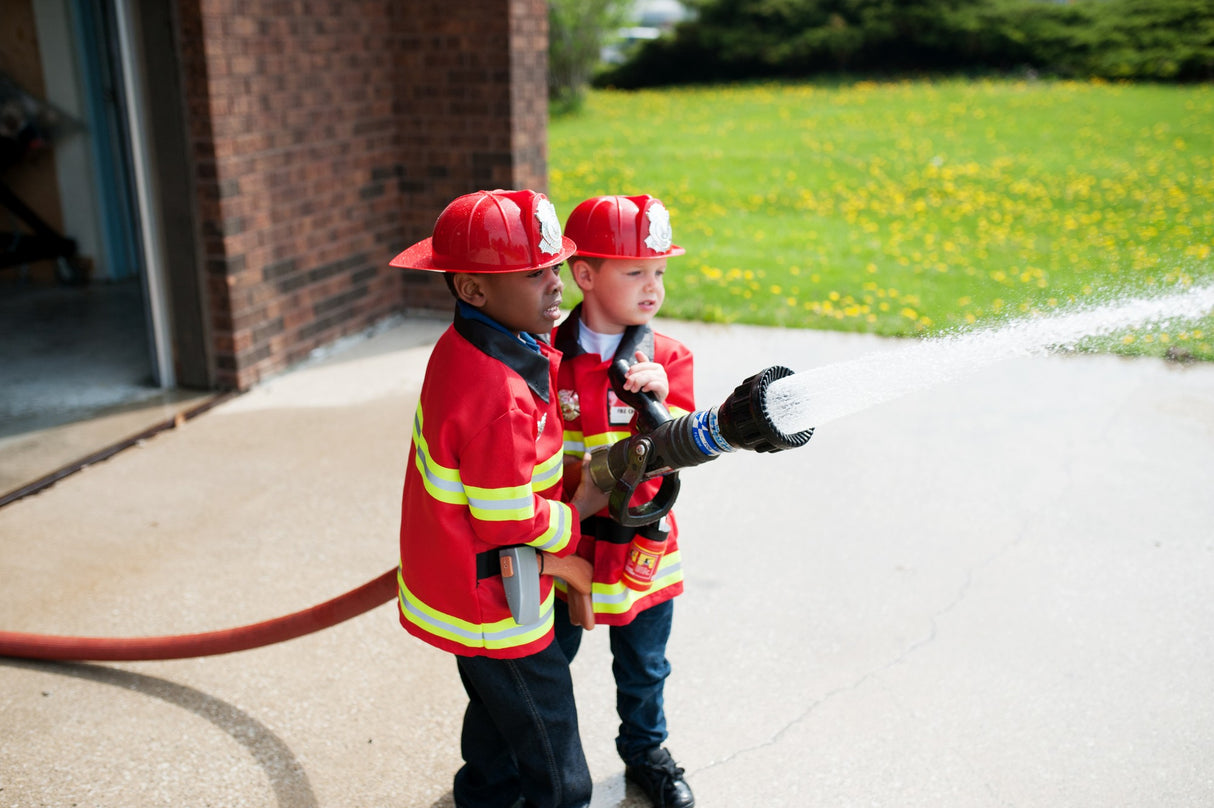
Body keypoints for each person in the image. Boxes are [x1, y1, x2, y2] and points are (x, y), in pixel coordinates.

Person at [391, 189, 609, 808]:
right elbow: (504, 517)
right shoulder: (501, 393)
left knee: (495, 714)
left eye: (554, 266)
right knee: (553, 752)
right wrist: (579, 513)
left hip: (461, 588)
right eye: (532, 273)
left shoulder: (466, 345)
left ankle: (483, 796)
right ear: (473, 289)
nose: (555, 284)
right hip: (497, 601)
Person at [551, 194, 696, 808]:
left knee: (644, 669)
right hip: (566, 547)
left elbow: (694, 447)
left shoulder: (666, 357)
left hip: (642, 551)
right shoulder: (546, 359)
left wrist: (664, 403)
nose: (652, 286)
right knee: (545, 666)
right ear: (584, 274)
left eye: (659, 271)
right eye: (634, 270)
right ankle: (547, 768)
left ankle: (646, 754)